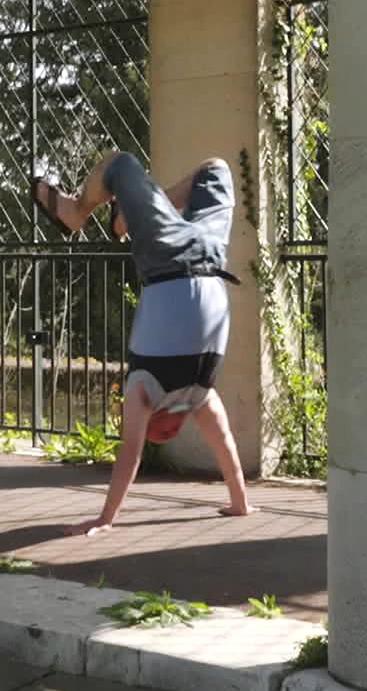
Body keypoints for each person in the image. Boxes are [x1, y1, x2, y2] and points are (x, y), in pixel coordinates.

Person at [33, 151, 258, 536]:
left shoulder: (143, 391)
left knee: (120, 165)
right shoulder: (198, 397)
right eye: (167, 437)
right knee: (216, 168)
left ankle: (76, 211)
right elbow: (224, 444)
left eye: (152, 434)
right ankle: (128, 218)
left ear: (134, 419)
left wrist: (105, 518)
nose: (164, 436)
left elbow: (129, 455)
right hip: (210, 252)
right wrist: (240, 502)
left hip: (165, 256)